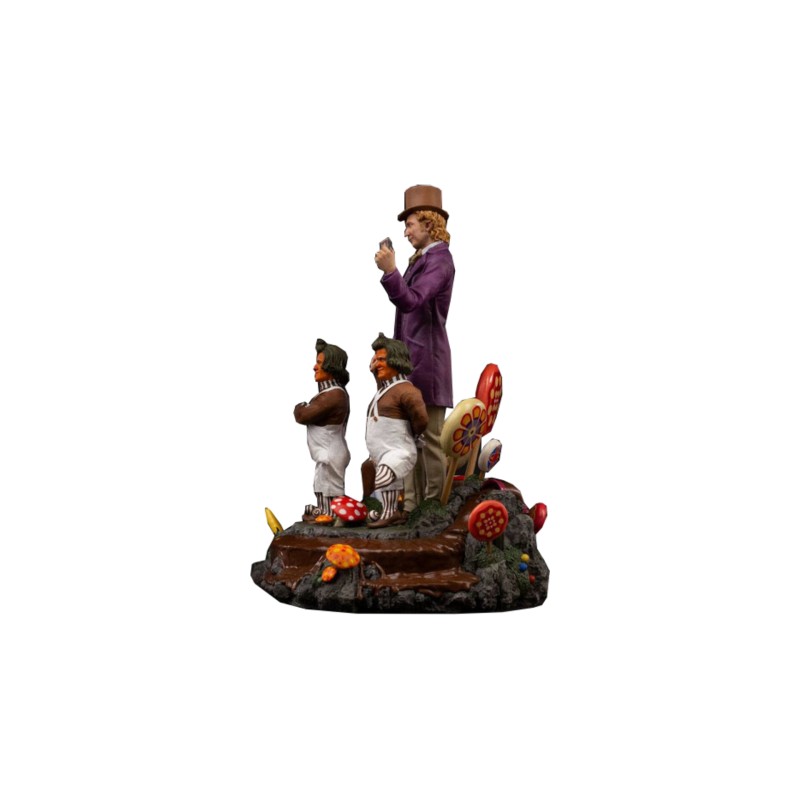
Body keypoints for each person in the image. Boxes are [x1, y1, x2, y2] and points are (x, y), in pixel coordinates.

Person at [374, 184, 454, 511]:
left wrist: (391, 272)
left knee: (430, 438)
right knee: (408, 438)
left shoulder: (440, 261)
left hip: (428, 365)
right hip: (412, 364)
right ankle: (410, 506)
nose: (406, 232)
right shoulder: (422, 260)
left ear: (428, 223)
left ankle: (434, 506)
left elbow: (412, 300)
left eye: (410, 224)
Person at [363, 333, 428, 528]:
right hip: (381, 453)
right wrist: (373, 372)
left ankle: (391, 512)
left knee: (383, 476)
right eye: (375, 360)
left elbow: (421, 419)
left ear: (396, 360)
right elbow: (380, 383)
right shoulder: (383, 390)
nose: (377, 364)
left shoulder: (407, 390)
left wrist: (413, 434)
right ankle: (390, 513)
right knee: (386, 483)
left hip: (399, 450)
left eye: (382, 360)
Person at [293, 339, 350, 522]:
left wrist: (301, 406)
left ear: (331, 366)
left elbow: (303, 415)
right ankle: (323, 512)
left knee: (330, 488)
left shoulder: (334, 395)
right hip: (324, 454)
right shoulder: (328, 393)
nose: (314, 367)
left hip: (329, 453)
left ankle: (331, 518)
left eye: (319, 363)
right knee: (321, 486)